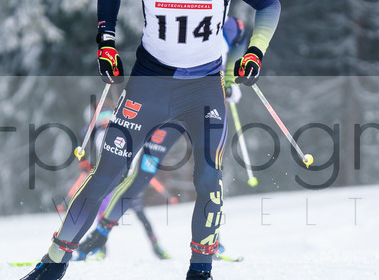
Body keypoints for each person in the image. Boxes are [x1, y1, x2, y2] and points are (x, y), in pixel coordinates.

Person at [4, 0, 280, 280]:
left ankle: (200, 275)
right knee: (106, 174)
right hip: (148, 85)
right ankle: (52, 266)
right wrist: (106, 43)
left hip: (203, 88)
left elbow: (269, 6)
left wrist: (255, 52)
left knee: (209, 178)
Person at [73, 16, 248, 262]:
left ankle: (210, 241)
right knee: (143, 173)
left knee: (210, 172)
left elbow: (241, 38)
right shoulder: (179, 13)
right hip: (171, 108)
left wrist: (230, 79)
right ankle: (98, 236)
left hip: (206, 107)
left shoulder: (230, 24)